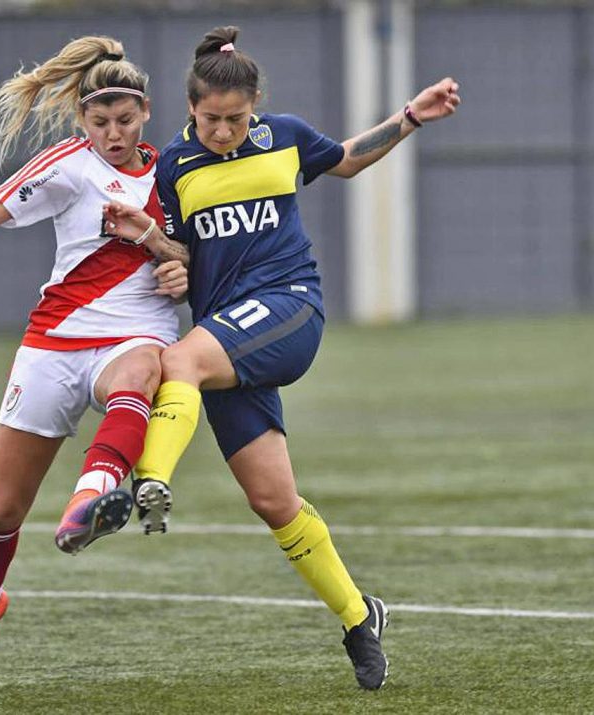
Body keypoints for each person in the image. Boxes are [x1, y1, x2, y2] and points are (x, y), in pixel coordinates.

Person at [100, 26, 461, 690]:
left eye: (236, 118)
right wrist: (161, 253)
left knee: (176, 362)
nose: (224, 131)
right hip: (224, 336)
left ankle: (146, 480)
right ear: (190, 109)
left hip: (289, 306)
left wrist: (410, 116)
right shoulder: (174, 166)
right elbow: (183, 256)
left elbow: (348, 158)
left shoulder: (286, 136)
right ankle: (361, 616)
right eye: (212, 119)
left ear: (256, 105)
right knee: (273, 500)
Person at [0, 36, 189, 687]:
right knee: (1, 511)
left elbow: (199, 254)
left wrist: (176, 262)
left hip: (134, 333)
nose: (113, 133)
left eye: (125, 120)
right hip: (53, 343)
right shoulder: (68, 164)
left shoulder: (178, 170)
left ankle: (90, 500)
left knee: (141, 373)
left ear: (146, 111)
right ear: (82, 120)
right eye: (100, 122)